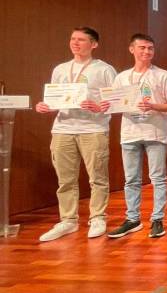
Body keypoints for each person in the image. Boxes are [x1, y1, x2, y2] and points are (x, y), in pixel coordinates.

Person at [36, 27, 117, 242]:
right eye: (73, 39)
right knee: (65, 180)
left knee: (97, 177)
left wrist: (99, 106)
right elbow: (56, 99)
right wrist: (46, 106)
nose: (75, 43)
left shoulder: (104, 70)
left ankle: (98, 217)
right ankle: (68, 220)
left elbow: (116, 101)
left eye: (81, 40)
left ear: (94, 44)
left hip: (93, 129)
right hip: (62, 129)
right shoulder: (61, 69)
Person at [105, 34, 167, 239]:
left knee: (158, 178)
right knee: (131, 179)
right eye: (142, 48)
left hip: (155, 132)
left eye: (150, 48)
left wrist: (153, 105)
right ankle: (132, 219)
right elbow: (114, 102)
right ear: (132, 49)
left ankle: (157, 219)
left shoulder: (163, 75)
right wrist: (107, 105)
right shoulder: (121, 77)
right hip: (129, 133)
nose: (146, 52)